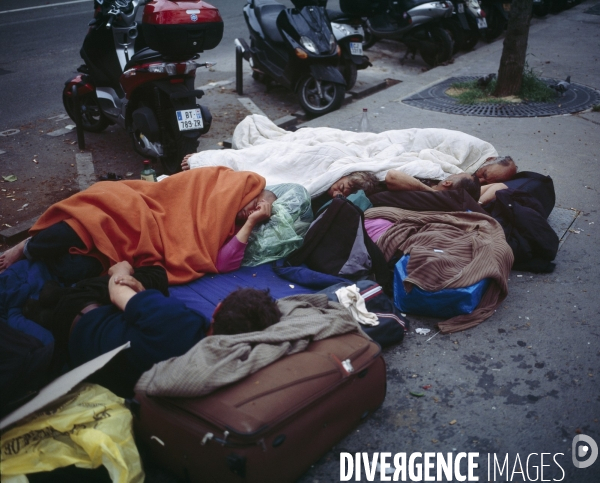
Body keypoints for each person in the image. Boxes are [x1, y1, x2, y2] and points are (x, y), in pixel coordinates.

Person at [28, 261, 282, 397]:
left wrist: (122, 268)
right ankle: (51, 302)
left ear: (216, 311)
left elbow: (117, 290)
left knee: (151, 276)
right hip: (103, 371)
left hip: (79, 325)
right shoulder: (224, 364)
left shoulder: (178, 321)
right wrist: (141, 293)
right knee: (145, 290)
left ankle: (53, 299)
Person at [0, 168, 274, 284]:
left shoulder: (233, 229)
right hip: (136, 206)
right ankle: (26, 246)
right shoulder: (225, 180)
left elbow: (223, 263)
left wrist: (250, 222)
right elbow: (173, 190)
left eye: (260, 209)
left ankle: (36, 257)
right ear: (247, 188)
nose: (253, 208)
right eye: (256, 201)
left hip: (139, 243)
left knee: (74, 270)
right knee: (69, 231)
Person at [385, 170, 481, 201]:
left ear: (447, 183)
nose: (452, 174)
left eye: (455, 175)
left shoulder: (424, 193)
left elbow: (392, 176)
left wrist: (434, 194)